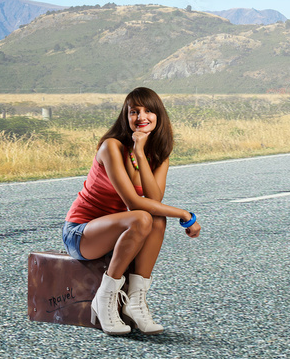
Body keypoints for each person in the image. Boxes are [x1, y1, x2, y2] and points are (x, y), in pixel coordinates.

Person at [61, 87, 201, 335]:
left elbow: (154, 198)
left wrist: (140, 152)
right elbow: (134, 202)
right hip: (82, 234)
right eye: (133, 111)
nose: (141, 117)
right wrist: (184, 214)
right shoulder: (111, 147)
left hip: (118, 231)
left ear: (159, 116)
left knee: (156, 219)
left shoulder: (157, 154)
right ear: (125, 116)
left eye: (148, 111)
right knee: (141, 216)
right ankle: (104, 299)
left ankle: (136, 302)